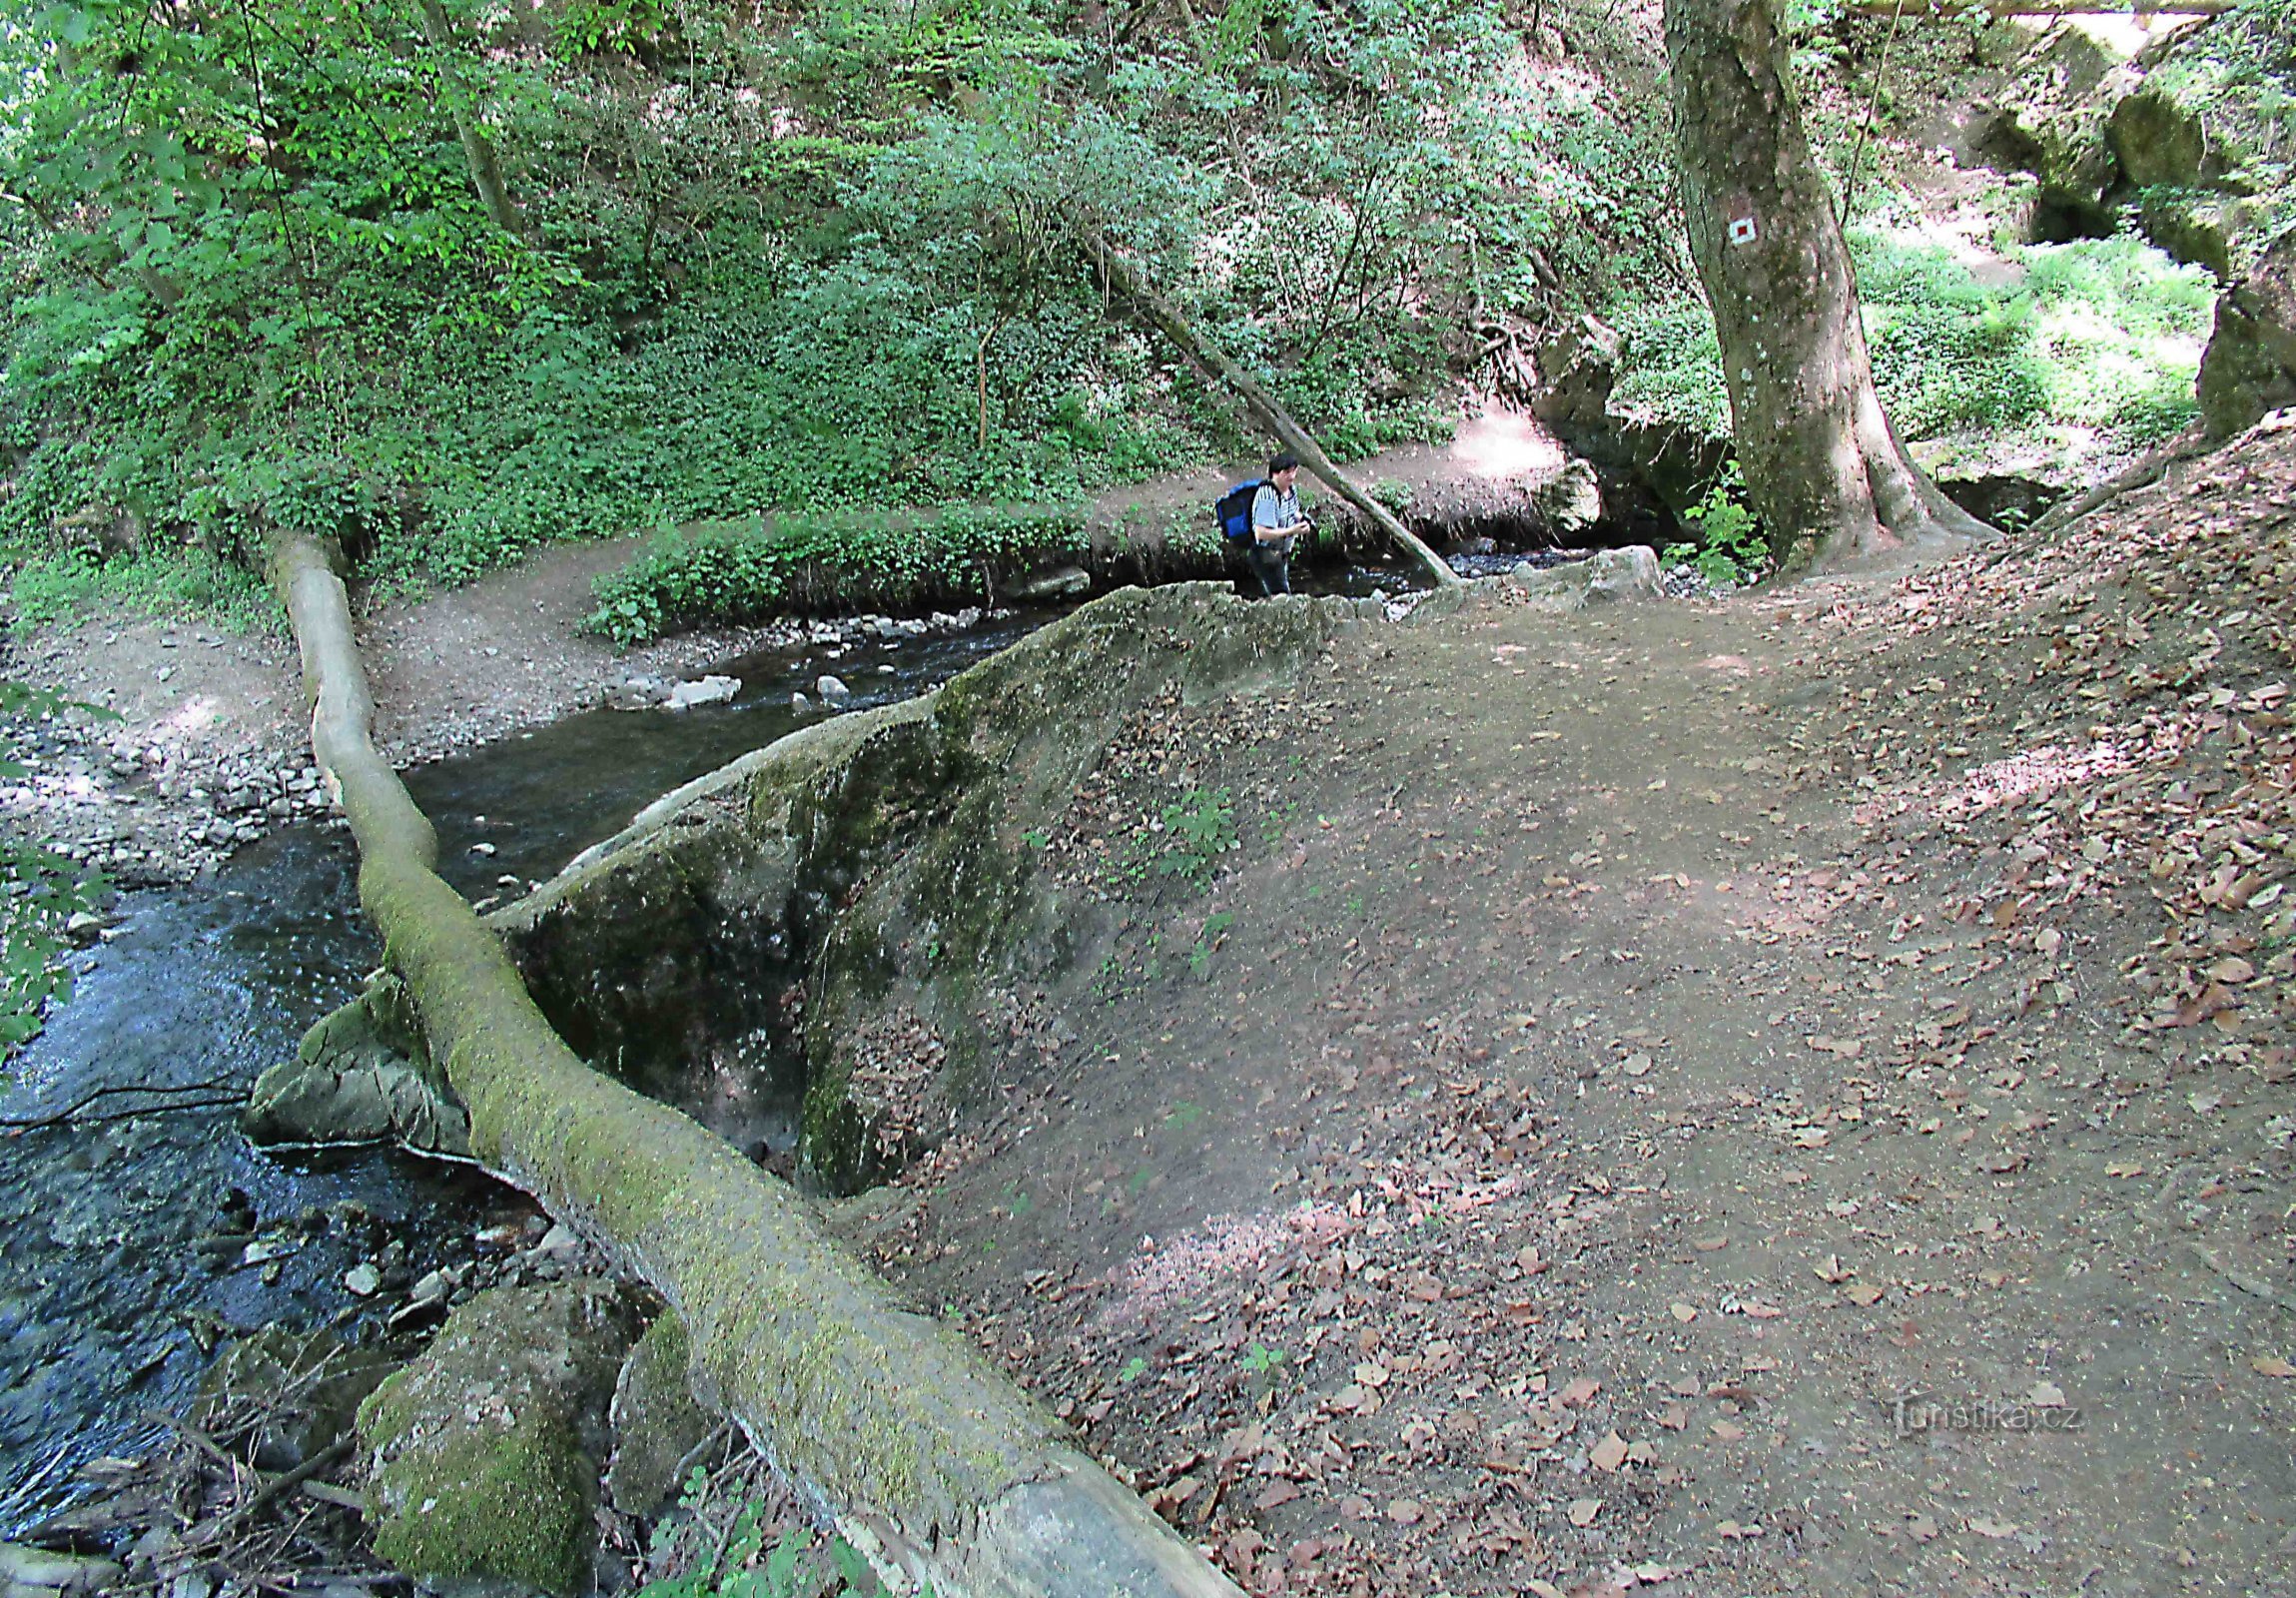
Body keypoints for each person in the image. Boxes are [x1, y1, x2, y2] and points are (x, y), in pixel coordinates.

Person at [1244, 453, 1312, 596]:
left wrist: (1303, 521)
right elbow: (1261, 533)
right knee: (1281, 598)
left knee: (1279, 593)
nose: (1292, 476)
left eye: (1294, 471)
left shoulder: (1290, 491)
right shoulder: (1267, 496)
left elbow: (1293, 512)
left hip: (1281, 554)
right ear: (1275, 474)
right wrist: (1292, 530)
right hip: (1266, 555)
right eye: (1286, 472)